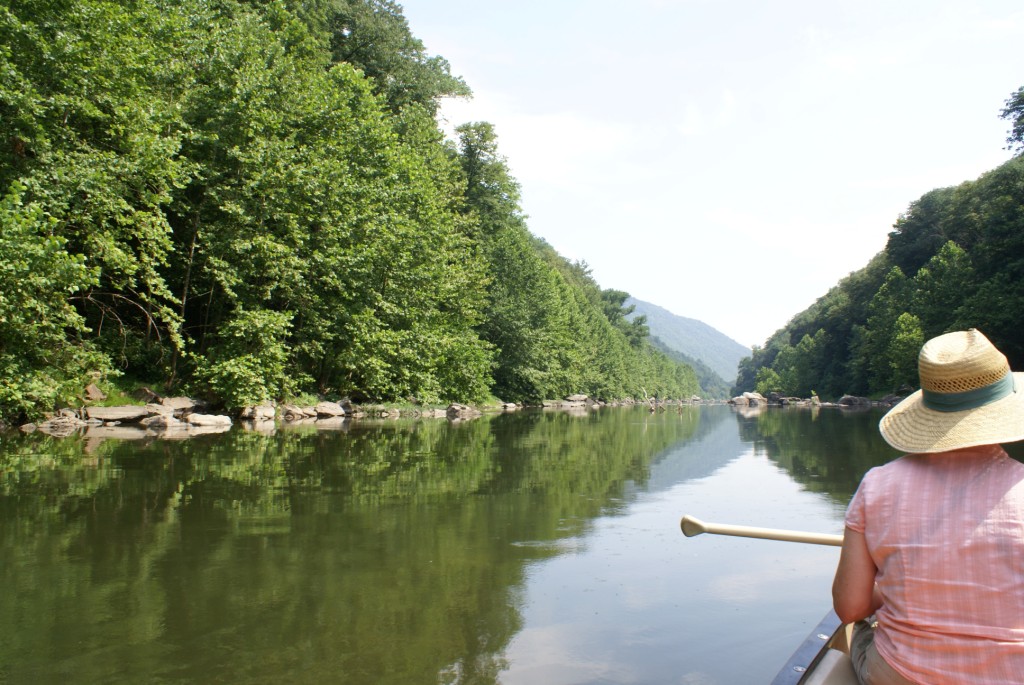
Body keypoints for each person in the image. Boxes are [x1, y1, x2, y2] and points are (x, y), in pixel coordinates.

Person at [832, 329, 1024, 684]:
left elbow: (850, 607)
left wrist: (891, 588)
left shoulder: (877, 486)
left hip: (904, 675)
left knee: (861, 628)